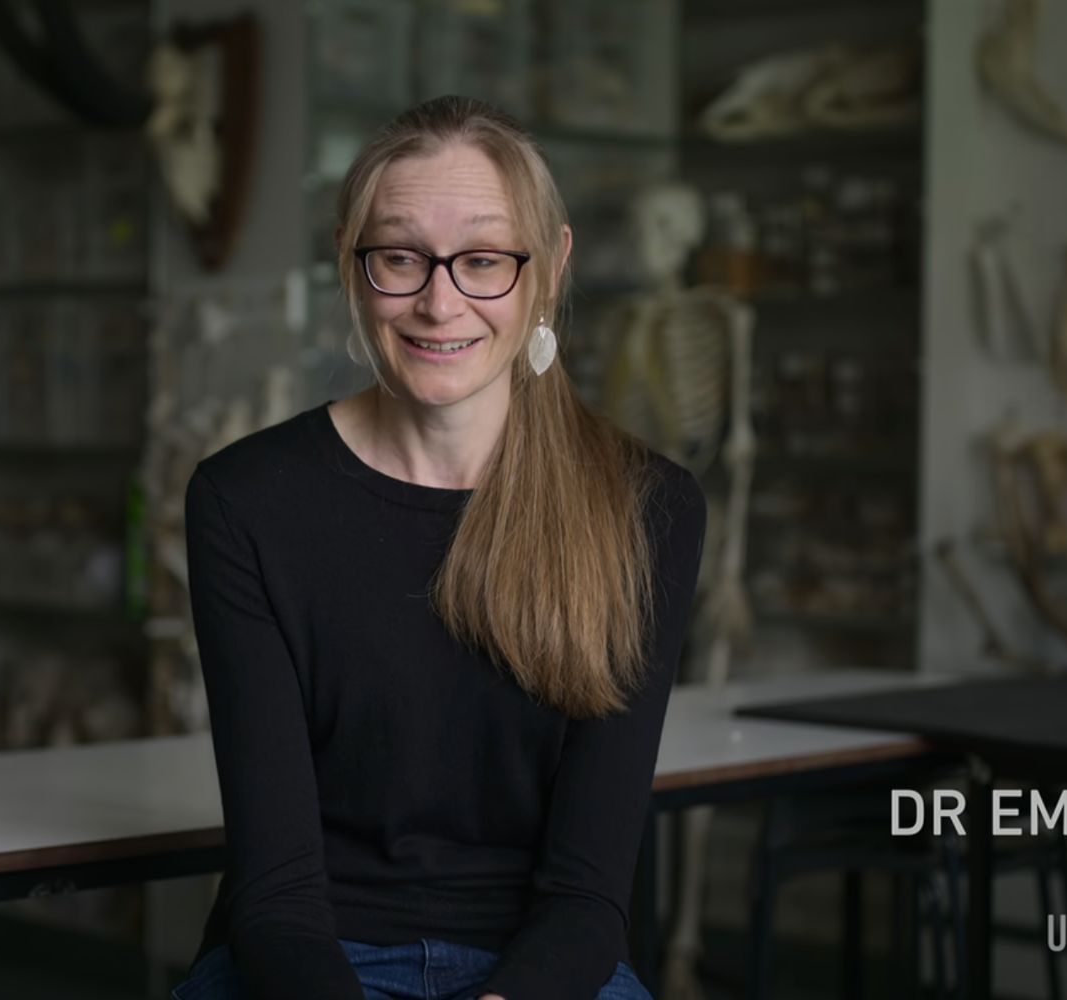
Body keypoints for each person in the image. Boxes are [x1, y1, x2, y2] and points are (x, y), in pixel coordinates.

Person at [171, 94, 707, 1000]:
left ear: (548, 268)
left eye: (484, 260)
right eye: (400, 258)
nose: (438, 300)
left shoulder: (646, 508)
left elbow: (586, 896)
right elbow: (276, 894)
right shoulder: (245, 502)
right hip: (313, 963)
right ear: (352, 261)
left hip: (544, 971)